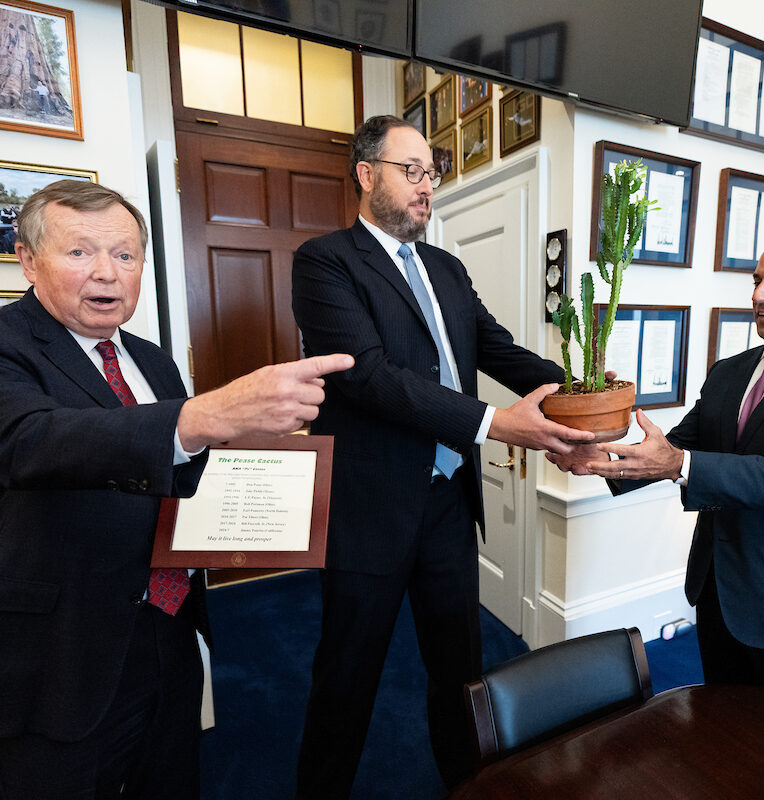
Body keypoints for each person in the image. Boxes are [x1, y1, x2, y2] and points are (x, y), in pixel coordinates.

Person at [0, 179, 353, 799]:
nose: (107, 275)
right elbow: (30, 443)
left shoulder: (153, 359)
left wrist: (265, 466)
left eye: (125, 255)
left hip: (168, 629)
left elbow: (169, 464)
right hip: (58, 652)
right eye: (80, 252)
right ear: (27, 260)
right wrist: (208, 415)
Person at [290, 114, 592, 797]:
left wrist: (583, 394)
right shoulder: (325, 261)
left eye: (434, 174)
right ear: (367, 175)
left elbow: (495, 348)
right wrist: (493, 422)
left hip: (448, 502)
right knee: (348, 674)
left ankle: (468, 784)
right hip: (368, 506)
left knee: (460, 671)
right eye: (413, 171)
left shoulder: (447, 268)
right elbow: (364, 374)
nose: (429, 187)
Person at [551, 235, 764, 717]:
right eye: (757, 280)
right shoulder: (729, 371)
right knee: (725, 735)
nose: (759, 294)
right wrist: (597, 458)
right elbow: (678, 447)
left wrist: (679, 465)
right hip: (720, 593)